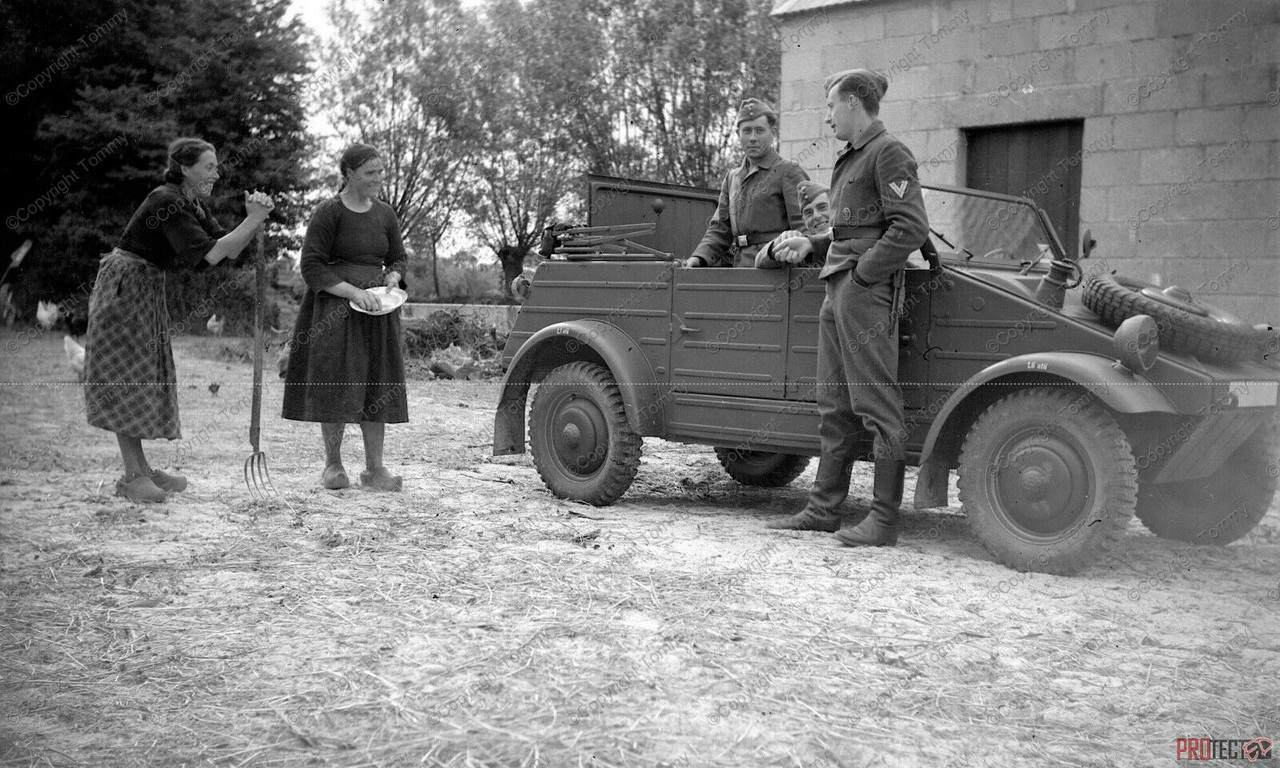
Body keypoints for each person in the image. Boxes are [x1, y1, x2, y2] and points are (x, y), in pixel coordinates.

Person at [766, 69, 929, 547]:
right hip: (837, 286)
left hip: (863, 292)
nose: (827, 117)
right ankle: (823, 509)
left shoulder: (888, 152)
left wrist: (861, 277)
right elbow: (848, 231)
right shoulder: (854, 156)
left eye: (831, 106)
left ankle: (884, 520)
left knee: (877, 405)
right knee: (834, 404)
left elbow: (910, 227)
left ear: (854, 103)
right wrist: (813, 243)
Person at [84, 137, 275, 503]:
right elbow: (211, 255)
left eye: (216, 167)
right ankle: (133, 476)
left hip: (144, 286)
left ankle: (142, 470)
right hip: (124, 286)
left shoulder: (191, 203)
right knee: (130, 376)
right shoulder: (167, 200)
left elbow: (227, 248)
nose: (216, 174)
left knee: (144, 374)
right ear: (185, 168)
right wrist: (253, 219)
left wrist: (255, 219)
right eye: (209, 167)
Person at [282, 143, 408, 492]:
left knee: (377, 383)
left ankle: (375, 469)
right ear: (349, 174)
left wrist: (394, 275)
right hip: (335, 311)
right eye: (370, 173)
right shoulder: (328, 212)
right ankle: (333, 465)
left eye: (380, 172)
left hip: (378, 310)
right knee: (336, 384)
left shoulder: (386, 214)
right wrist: (353, 292)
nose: (378, 179)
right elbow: (311, 266)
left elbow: (398, 257)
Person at [684, 98, 809, 269]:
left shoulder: (788, 172)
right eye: (747, 131)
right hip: (740, 269)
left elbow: (804, 228)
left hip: (776, 269)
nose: (752, 138)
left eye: (760, 130)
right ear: (738, 134)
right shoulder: (732, 178)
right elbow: (720, 229)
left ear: (773, 133)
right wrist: (699, 257)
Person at [754, 180, 832, 268]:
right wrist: (776, 245)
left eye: (822, 208)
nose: (816, 216)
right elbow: (759, 262)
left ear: (835, 208)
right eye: (809, 213)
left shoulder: (844, 242)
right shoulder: (800, 248)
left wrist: (813, 244)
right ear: (804, 221)